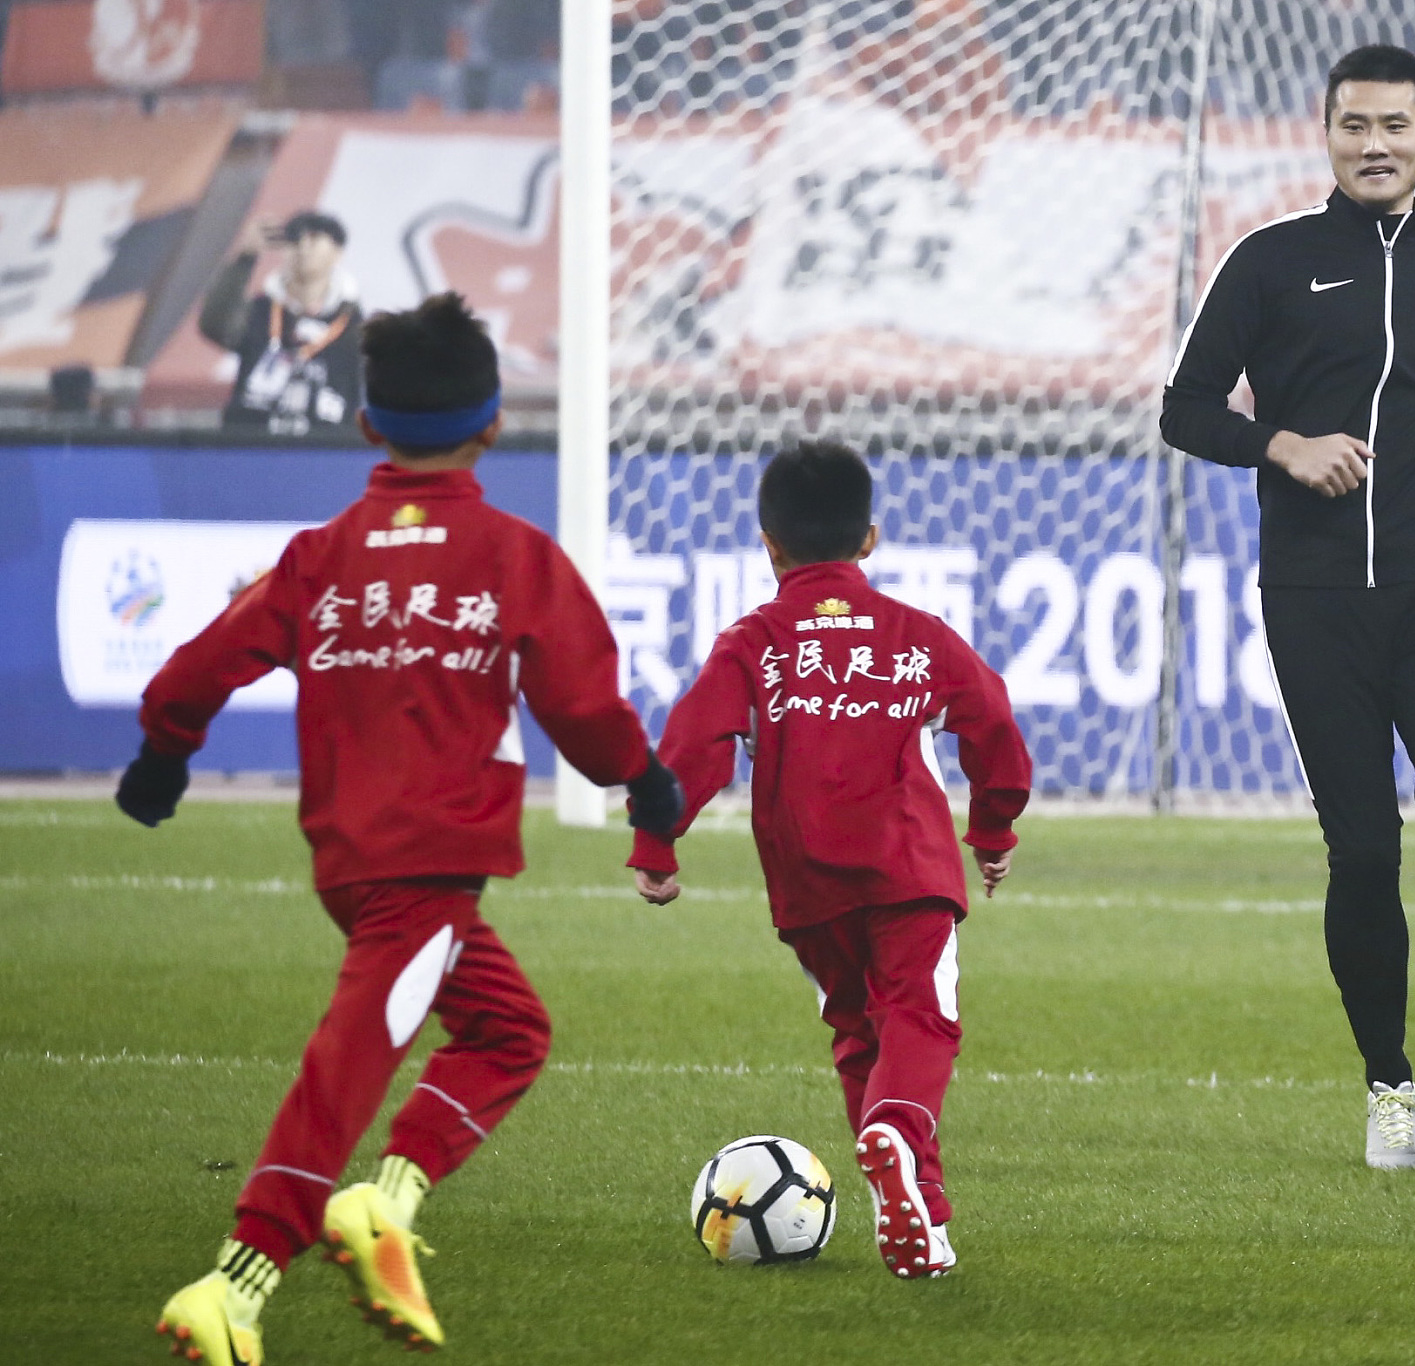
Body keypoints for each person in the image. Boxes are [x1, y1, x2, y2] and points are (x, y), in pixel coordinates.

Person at [123, 293, 682, 1365]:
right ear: (494, 423)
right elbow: (582, 705)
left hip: (354, 862)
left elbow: (198, 666)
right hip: (424, 870)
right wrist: (646, 786)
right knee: (347, 1067)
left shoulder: (320, 556)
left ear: (369, 423)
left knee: (508, 1031)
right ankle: (235, 1283)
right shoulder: (513, 556)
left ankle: (387, 1199)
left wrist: (163, 756)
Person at [1159, 44, 1415, 1172]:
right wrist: (1280, 444)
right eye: (1353, 126)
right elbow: (1184, 409)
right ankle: (1388, 1087)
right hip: (1315, 598)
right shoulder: (1269, 262)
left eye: (1393, 126)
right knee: (1364, 849)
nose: (1374, 145)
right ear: (1324, 134)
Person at [627, 440, 1031, 1280]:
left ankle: (923, 1215)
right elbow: (992, 718)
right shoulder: (917, 636)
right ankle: (898, 1138)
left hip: (808, 885)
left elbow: (695, 741)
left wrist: (658, 841)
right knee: (920, 1019)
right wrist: (993, 827)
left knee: (858, 1034)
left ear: (768, 544)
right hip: (909, 869)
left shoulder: (754, 642)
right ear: (870, 538)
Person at [198, 210, 363, 436]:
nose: (303, 247)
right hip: (250, 444)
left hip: (324, 449)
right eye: (295, 240)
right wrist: (246, 257)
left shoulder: (353, 326)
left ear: (337, 252)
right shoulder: (261, 310)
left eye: (314, 238)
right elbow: (215, 325)